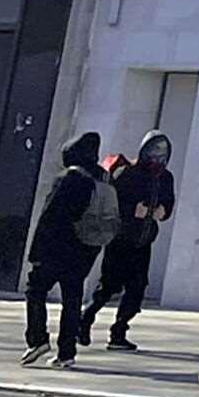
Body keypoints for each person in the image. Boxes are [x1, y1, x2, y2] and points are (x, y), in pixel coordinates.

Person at [23, 132, 115, 368]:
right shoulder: (101, 179)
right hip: (84, 251)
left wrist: (36, 253)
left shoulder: (69, 179)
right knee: (72, 300)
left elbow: (50, 217)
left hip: (55, 249)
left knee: (35, 290)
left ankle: (37, 339)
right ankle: (66, 353)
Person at [84, 132, 178, 352]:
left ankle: (119, 331)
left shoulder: (165, 178)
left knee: (137, 287)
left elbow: (168, 203)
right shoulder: (128, 173)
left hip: (143, 240)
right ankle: (85, 319)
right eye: (153, 151)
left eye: (162, 154)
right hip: (121, 238)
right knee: (109, 286)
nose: (157, 158)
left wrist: (162, 212)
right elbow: (112, 203)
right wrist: (132, 210)